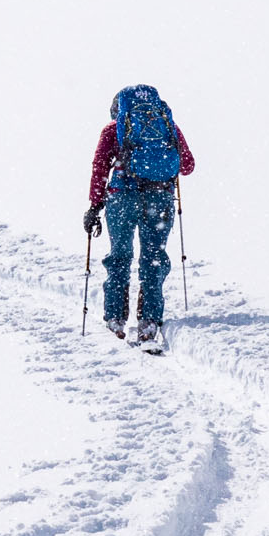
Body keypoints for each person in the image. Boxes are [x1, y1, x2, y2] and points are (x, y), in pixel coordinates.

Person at [83, 83, 195, 352]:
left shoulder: (113, 130)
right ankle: (149, 322)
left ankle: (115, 318)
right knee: (154, 257)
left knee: (120, 256)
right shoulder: (168, 126)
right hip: (160, 198)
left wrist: (94, 207)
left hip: (122, 198)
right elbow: (188, 166)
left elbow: (99, 168)